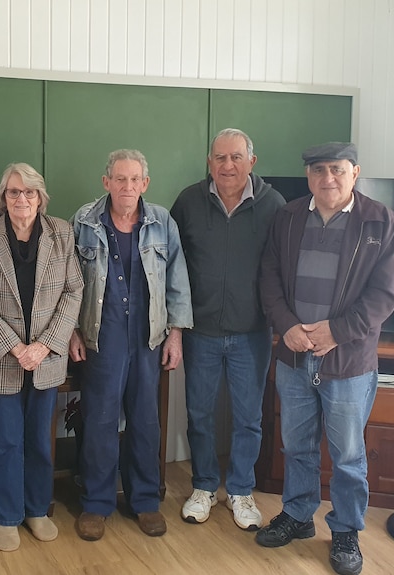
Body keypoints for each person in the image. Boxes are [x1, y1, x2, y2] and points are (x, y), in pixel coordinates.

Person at [257, 142, 394, 575]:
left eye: (337, 170)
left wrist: (335, 331)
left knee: (348, 455)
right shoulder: (287, 217)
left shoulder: (380, 220)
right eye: (318, 171)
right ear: (308, 177)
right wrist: (289, 327)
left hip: (348, 360)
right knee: (296, 445)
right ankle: (299, 515)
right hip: (295, 354)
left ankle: (345, 530)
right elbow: (269, 278)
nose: (328, 179)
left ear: (354, 172)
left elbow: (384, 294)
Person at [70, 149, 193, 541]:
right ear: (106, 183)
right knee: (100, 420)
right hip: (100, 336)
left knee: (145, 420)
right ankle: (96, 504)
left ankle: (144, 502)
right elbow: (68, 283)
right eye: (119, 179)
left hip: (148, 336)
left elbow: (178, 281)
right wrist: (71, 331)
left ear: (145, 184)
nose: (127, 187)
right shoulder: (84, 222)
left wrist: (175, 334)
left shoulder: (162, 222)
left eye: (134, 179)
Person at [0, 162, 83, 552]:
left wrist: (44, 345)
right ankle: (5, 515)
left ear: (41, 198)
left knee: (39, 441)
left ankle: (36, 510)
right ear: (3, 198)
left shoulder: (62, 233)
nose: (21, 199)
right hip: (0, 358)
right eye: (14, 192)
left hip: (45, 358)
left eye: (29, 192)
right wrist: (15, 347)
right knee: (6, 441)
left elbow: (73, 292)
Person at [170, 128, 285, 529]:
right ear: (209, 163)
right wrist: (175, 324)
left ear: (252, 161)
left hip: (252, 334)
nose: (228, 165)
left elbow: (284, 269)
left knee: (248, 418)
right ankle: (203, 486)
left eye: (236, 157)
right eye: (220, 158)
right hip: (200, 331)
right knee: (199, 415)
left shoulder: (274, 205)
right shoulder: (188, 201)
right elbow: (171, 263)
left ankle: (239, 491)